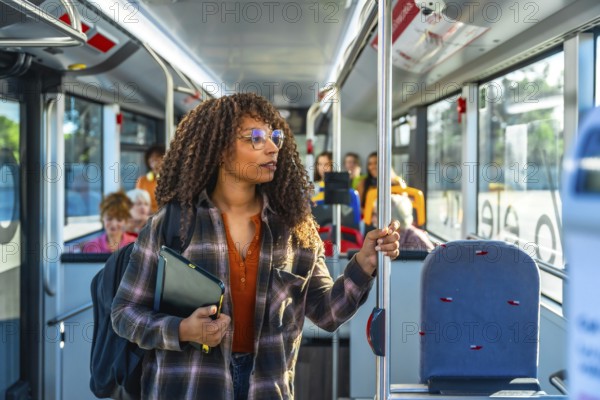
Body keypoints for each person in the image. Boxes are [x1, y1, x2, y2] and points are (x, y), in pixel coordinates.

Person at [111, 93, 401, 400]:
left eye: (274, 137)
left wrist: (365, 263)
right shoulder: (172, 225)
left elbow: (328, 313)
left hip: (267, 386)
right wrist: (183, 330)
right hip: (190, 385)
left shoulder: (295, 229)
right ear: (221, 150)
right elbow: (124, 313)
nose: (274, 147)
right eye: (256, 139)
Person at [136, 144, 165, 214]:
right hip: (146, 217)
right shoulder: (142, 180)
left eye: (158, 157)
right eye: (152, 158)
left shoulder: (168, 180)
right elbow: (138, 202)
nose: (155, 161)